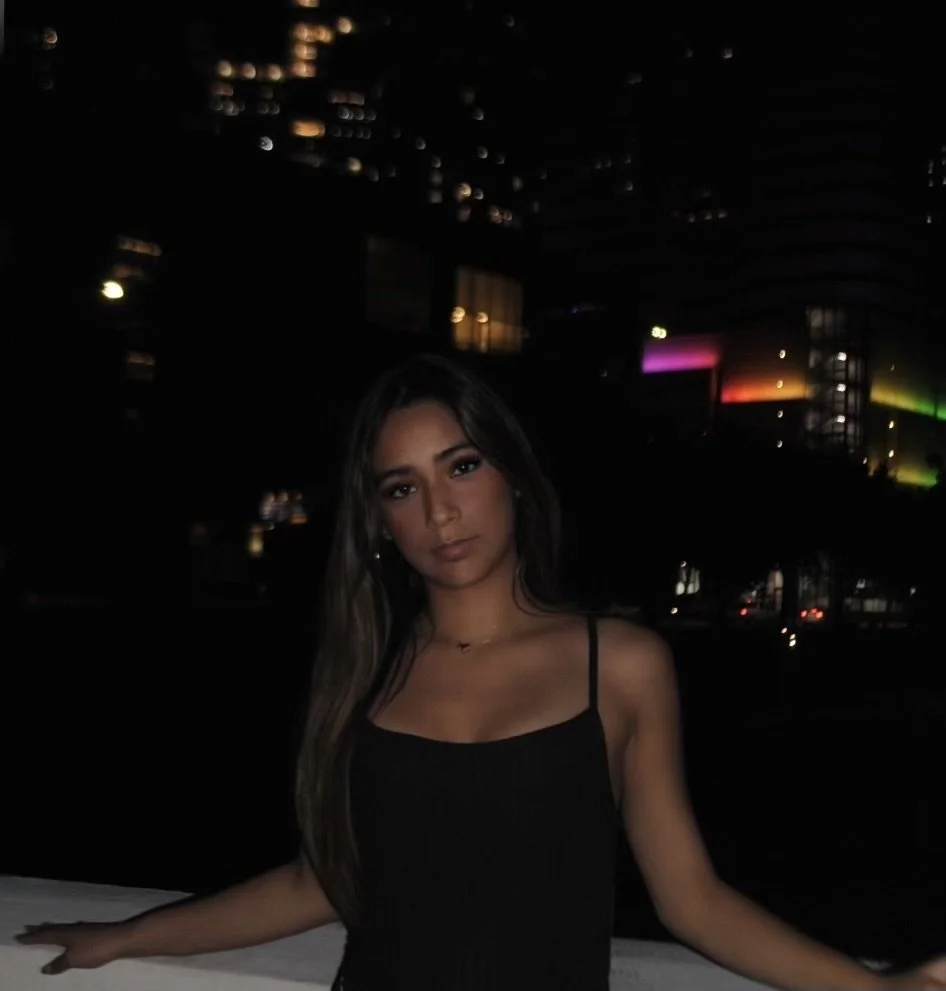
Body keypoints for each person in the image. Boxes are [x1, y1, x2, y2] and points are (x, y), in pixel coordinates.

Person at [17, 354, 946, 989]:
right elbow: (322, 882)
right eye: (402, 486)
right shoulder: (367, 670)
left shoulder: (616, 663)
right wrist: (130, 935)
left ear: (511, 473)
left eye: (461, 465)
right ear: (379, 520)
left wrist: (875, 987)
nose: (440, 510)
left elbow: (692, 898)